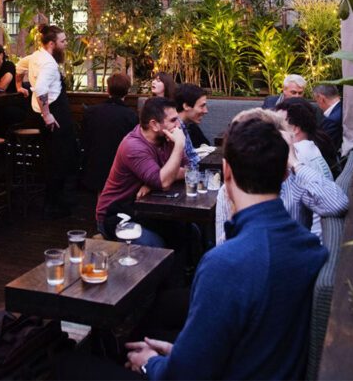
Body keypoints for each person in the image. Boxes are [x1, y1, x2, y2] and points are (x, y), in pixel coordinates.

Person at [126, 108, 328, 379]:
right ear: (284, 173)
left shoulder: (225, 264)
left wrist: (150, 363)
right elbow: (256, 342)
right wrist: (178, 353)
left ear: (227, 170)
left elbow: (185, 376)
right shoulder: (311, 249)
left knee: (75, 367)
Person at [215, 97, 347, 244]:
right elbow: (222, 244)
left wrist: (294, 162)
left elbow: (337, 204)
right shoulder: (226, 192)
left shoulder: (296, 182)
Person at [95, 97, 185, 246]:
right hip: (115, 215)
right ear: (154, 125)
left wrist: (153, 183)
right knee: (155, 245)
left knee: (188, 231)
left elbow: (189, 170)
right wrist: (179, 146)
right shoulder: (134, 146)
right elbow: (164, 182)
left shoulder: (167, 138)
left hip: (143, 210)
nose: (178, 125)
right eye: (173, 120)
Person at [15, 24, 79, 219]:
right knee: (61, 159)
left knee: (55, 158)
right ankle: (54, 206)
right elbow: (41, 89)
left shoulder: (36, 56)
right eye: (63, 41)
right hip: (54, 114)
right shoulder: (49, 64)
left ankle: (53, 203)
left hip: (46, 112)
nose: (66, 44)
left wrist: (19, 85)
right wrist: (47, 115)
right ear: (52, 44)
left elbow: (19, 66)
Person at [80, 73, 139, 193]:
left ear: (108, 90)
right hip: (121, 169)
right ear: (127, 91)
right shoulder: (131, 116)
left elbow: (84, 140)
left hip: (95, 166)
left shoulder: (91, 112)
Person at [173, 83, 208, 170]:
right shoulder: (174, 128)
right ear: (186, 106)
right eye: (202, 106)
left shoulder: (184, 126)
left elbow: (192, 159)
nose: (206, 111)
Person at [314, 84, 343, 173]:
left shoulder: (332, 120)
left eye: (316, 100)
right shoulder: (344, 107)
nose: (317, 104)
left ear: (321, 98)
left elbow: (324, 149)